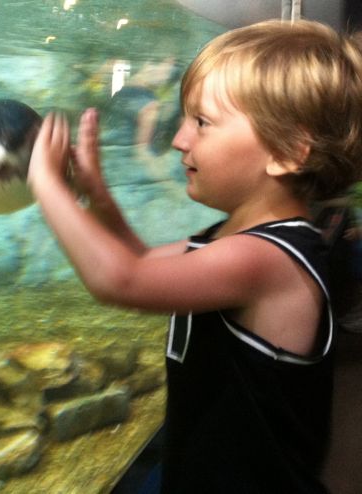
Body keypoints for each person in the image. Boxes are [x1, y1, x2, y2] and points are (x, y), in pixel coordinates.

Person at [27, 19, 362, 494]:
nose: (179, 139)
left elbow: (120, 280)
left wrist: (45, 184)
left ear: (288, 151)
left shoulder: (267, 259)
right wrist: (98, 198)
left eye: (202, 122)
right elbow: (140, 260)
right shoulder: (234, 238)